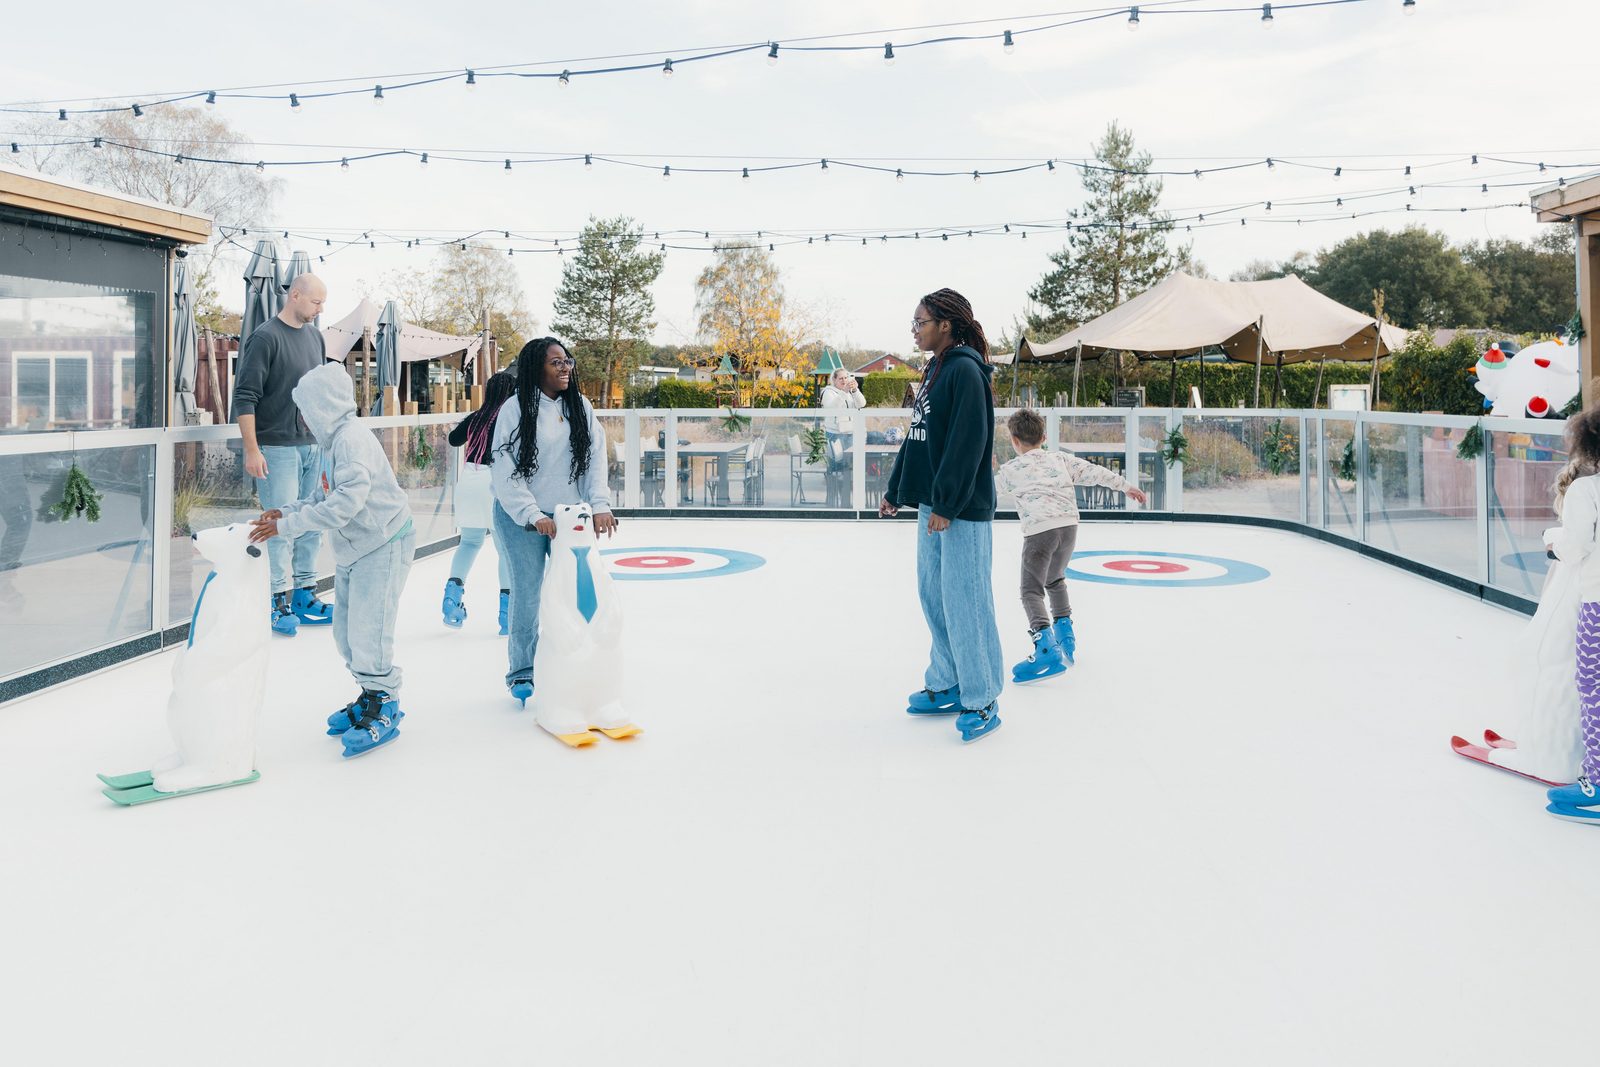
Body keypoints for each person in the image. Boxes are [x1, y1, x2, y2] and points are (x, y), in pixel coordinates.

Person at [249, 363, 415, 759]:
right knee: (344, 633)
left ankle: (385, 702)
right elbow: (323, 496)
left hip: (384, 541)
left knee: (368, 632)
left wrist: (288, 527)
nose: (301, 416)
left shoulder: (352, 441)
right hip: (356, 547)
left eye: (305, 408)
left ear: (322, 405)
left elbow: (344, 504)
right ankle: (369, 693)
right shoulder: (331, 442)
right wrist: (284, 511)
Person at [879, 288, 1005, 744]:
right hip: (935, 505)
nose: (914, 330)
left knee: (966, 600)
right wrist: (897, 490)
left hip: (962, 508)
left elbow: (968, 443)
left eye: (920, 323)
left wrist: (949, 504)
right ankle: (949, 678)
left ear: (945, 325)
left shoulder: (965, 371)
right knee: (934, 594)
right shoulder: (934, 371)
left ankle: (983, 695)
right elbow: (918, 437)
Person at [490, 337, 618, 707]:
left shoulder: (581, 407)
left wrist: (599, 506)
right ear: (536, 369)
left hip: (569, 516)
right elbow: (505, 469)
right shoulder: (514, 410)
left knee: (578, 591)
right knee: (528, 594)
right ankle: (521, 672)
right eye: (556, 363)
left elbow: (595, 460)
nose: (565, 368)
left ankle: (578, 662)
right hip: (522, 518)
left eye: (567, 361)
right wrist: (532, 514)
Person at [997, 409, 1147, 683]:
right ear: (1044, 436)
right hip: (1068, 528)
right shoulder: (1060, 459)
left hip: (1039, 532)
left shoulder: (1010, 470)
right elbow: (1094, 472)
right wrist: (1126, 486)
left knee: (1030, 591)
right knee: (1055, 579)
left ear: (1014, 440)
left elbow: (985, 493)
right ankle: (1065, 632)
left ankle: (1045, 647)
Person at [232, 273, 333, 636]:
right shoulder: (265, 337)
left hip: (312, 446)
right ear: (295, 296)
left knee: (311, 522)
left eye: (322, 303)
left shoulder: (315, 337)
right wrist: (251, 449)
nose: (321, 309)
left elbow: (319, 393)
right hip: (275, 449)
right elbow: (245, 397)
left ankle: (305, 592)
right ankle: (276, 599)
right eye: (316, 302)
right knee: (278, 528)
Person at [1545, 410, 1600, 821]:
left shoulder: (1587, 490)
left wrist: (1553, 543)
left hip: (1597, 605)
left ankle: (1596, 785)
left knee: (1592, 687)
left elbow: (1575, 545)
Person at [442, 370, 517, 633]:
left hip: (468, 483)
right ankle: (507, 613)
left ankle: (451, 597)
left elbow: (453, 440)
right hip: (493, 485)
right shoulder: (510, 417)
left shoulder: (476, 418)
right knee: (505, 550)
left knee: (469, 542)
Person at [820, 368, 866, 506]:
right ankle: (835, 502)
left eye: (846, 378)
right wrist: (843, 392)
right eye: (840, 378)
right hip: (835, 434)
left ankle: (849, 502)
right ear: (833, 380)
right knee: (837, 470)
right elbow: (832, 408)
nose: (844, 381)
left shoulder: (849, 391)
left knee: (850, 469)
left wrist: (855, 391)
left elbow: (862, 404)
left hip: (850, 434)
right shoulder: (828, 392)